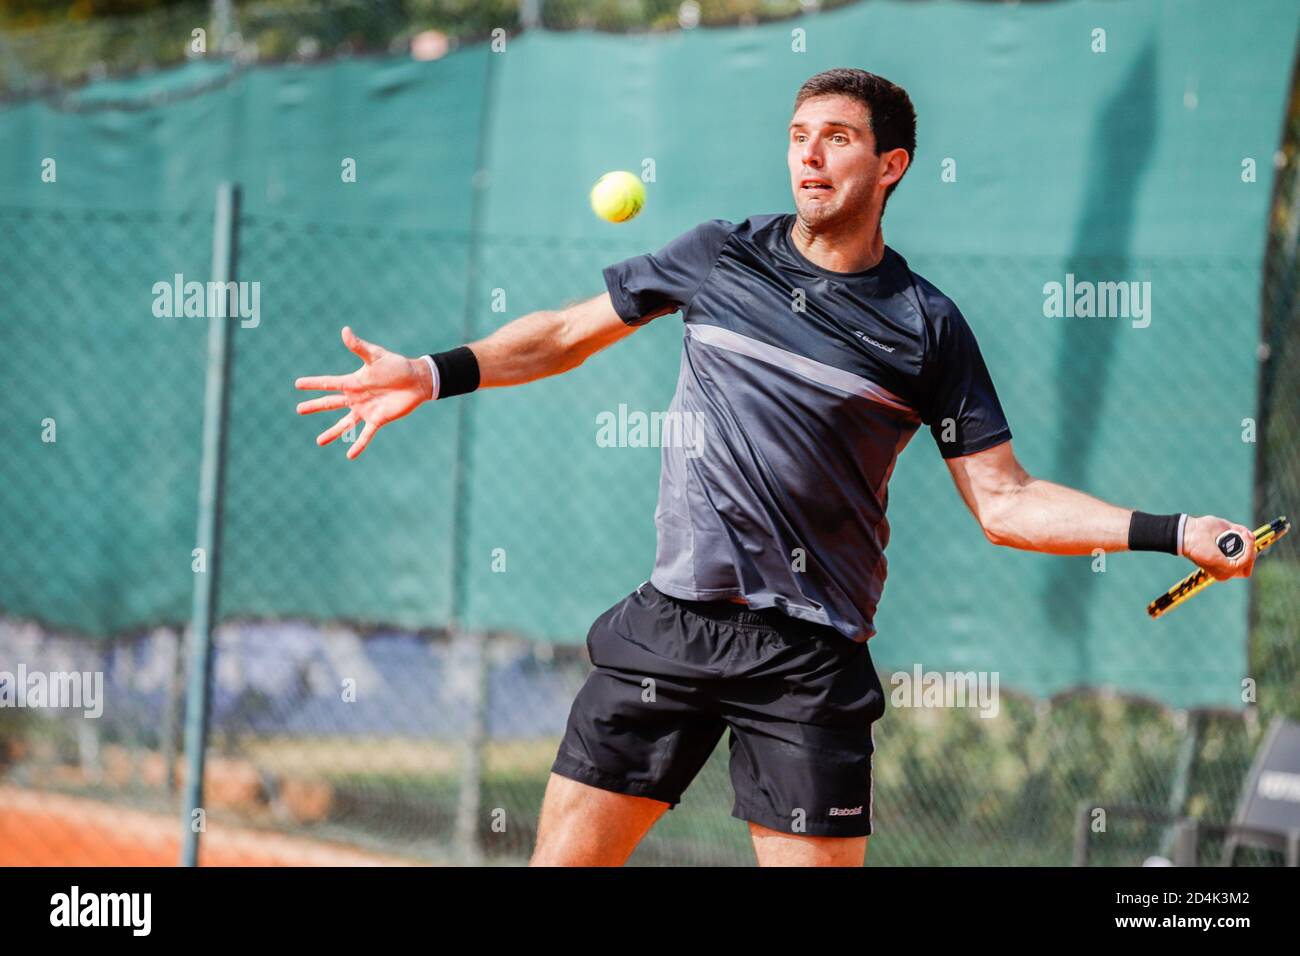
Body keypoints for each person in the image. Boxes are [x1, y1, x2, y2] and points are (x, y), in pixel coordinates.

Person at [294, 68, 1256, 867]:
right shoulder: (721, 256)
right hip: (671, 624)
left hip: (808, 656)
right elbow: (561, 337)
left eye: (837, 137)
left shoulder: (926, 327)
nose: (809, 151)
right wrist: (428, 372)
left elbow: (1005, 502)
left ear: (891, 166)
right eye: (799, 133)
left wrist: (1172, 531)